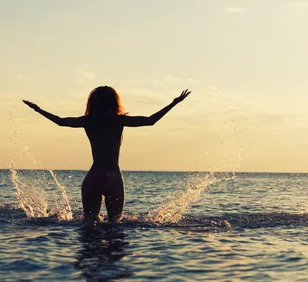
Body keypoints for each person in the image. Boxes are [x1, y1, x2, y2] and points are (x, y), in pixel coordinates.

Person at [23, 86, 191, 224]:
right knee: (115, 224)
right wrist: (174, 102)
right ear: (114, 102)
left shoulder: (87, 121)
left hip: (93, 177)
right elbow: (151, 120)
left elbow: (60, 121)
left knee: (89, 225)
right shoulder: (119, 121)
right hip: (112, 178)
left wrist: (37, 109)